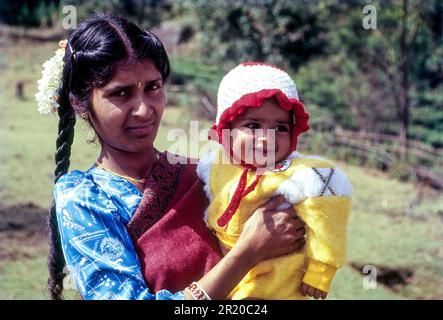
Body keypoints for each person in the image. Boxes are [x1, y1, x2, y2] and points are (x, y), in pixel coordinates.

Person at [37, 14, 307, 300]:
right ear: (81, 104)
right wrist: (247, 253)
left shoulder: (205, 175)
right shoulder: (83, 200)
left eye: (152, 87)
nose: (143, 109)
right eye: (120, 93)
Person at [196, 62, 352, 300]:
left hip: (278, 285)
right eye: (253, 125)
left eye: (279, 127)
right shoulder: (216, 164)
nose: (266, 139)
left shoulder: (302, 173)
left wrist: (322, 268)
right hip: (229, 277)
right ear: (226, 129)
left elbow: (328, 216)